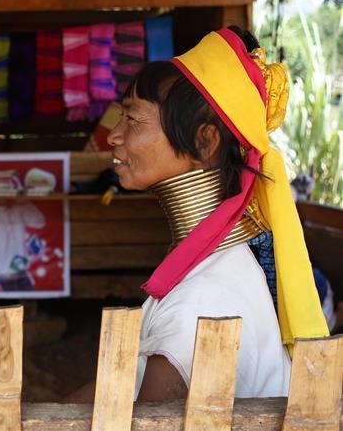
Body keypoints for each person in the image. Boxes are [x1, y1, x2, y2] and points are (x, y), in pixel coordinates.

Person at [64, 26, 328, 402]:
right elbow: (123, 387)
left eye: (133, 120)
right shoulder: (215, 268)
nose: (114, 136)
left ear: (204, 142)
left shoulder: (204, 298)